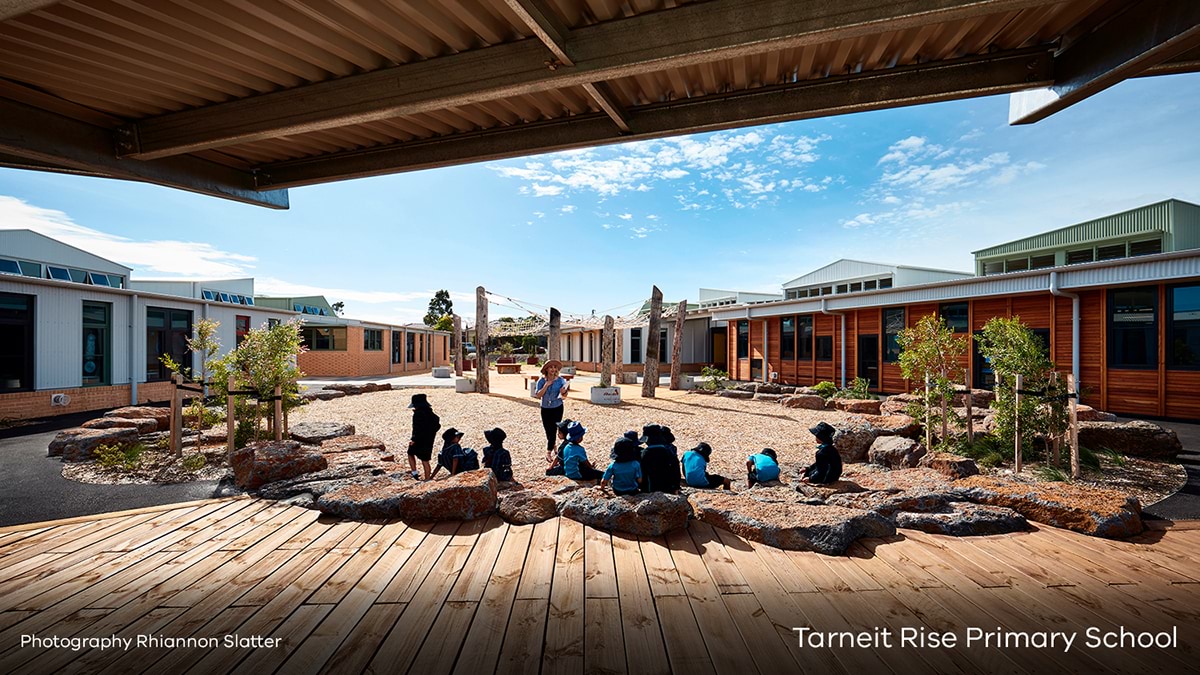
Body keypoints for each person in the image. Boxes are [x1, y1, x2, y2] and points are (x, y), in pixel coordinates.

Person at [535, 360, 570, 453]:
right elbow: (538, 395)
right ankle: (552, 444)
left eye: (555, 367)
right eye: (551, 367)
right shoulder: (541, 381)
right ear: (546, 369)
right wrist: (546, 386)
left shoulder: (560, 380)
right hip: (545, 408)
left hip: (557, 407)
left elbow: (565, 396)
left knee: (554, 429)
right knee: (547, 429)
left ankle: (549, 451)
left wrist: (564, 392)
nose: (553, 369)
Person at [639, 424, 681, 493]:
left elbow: (642, 473)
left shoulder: (645, 453)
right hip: (668, 487)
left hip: (651, 489)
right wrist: (676, 486)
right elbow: (676, 469)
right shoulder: (668, 451)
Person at [407, 393, 440, 480]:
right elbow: (437, 425)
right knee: (425, 460)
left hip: (419, 440)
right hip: (429, 440)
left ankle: (414, 472)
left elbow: (417, 428)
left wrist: (413, 439)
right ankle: (427, 479)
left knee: (410, 453)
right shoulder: (431, 414)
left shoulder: (418, 414)